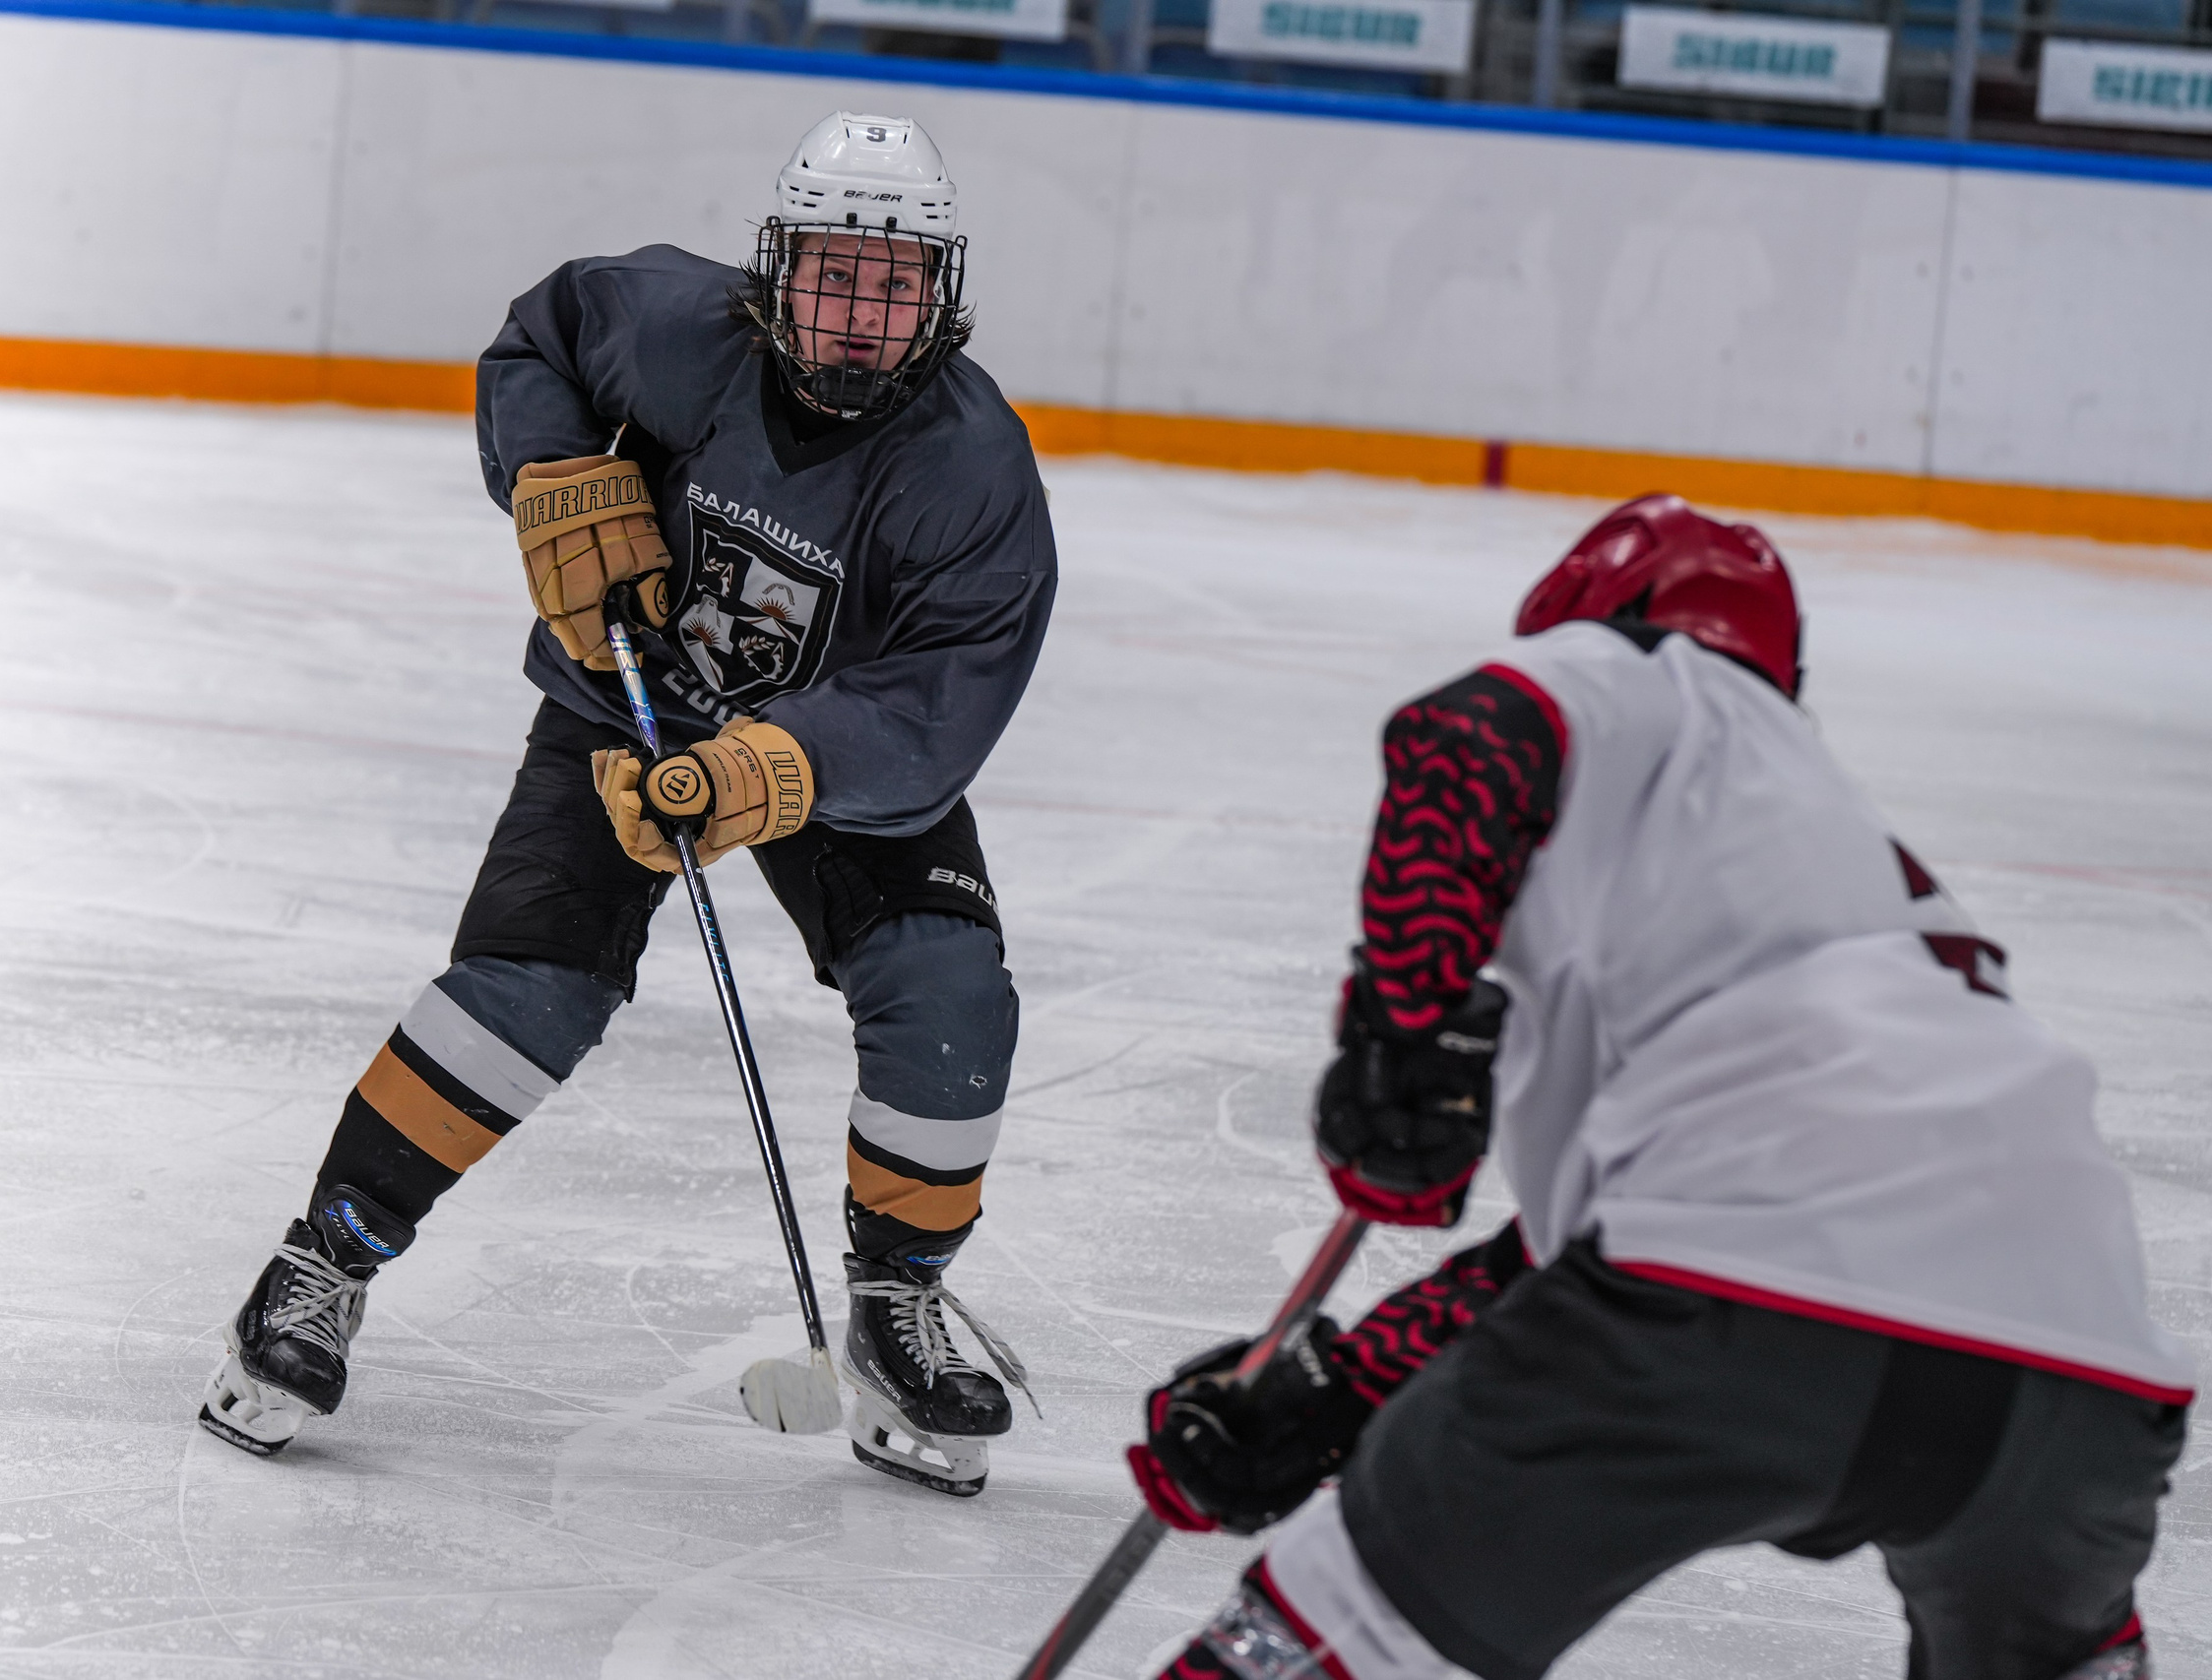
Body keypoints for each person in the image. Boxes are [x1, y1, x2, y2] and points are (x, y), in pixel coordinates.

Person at [1129, 495, 2190, 1678]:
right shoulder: (1843, 884)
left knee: (1339, 1638)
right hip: (2084, 1374)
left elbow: (1466, 733)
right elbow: (1586, 1255)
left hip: (1731, 1311)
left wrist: (1406, 1035)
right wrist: (1339, 1390)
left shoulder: (1651, 678)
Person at [197, 111, 1057, 1499]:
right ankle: (324, 1261)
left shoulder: (973, 465)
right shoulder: (674, 326)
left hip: (821, 754)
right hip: (626, 698)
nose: (858, 315)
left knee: (952, 997)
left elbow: (938, 705)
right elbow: (538, 342)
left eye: (892, 285)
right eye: (834, 275)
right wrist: (553, 471)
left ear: (939, 295)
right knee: (523, 992)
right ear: (778, 268)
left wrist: (754, 770)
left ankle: (896, 1301)